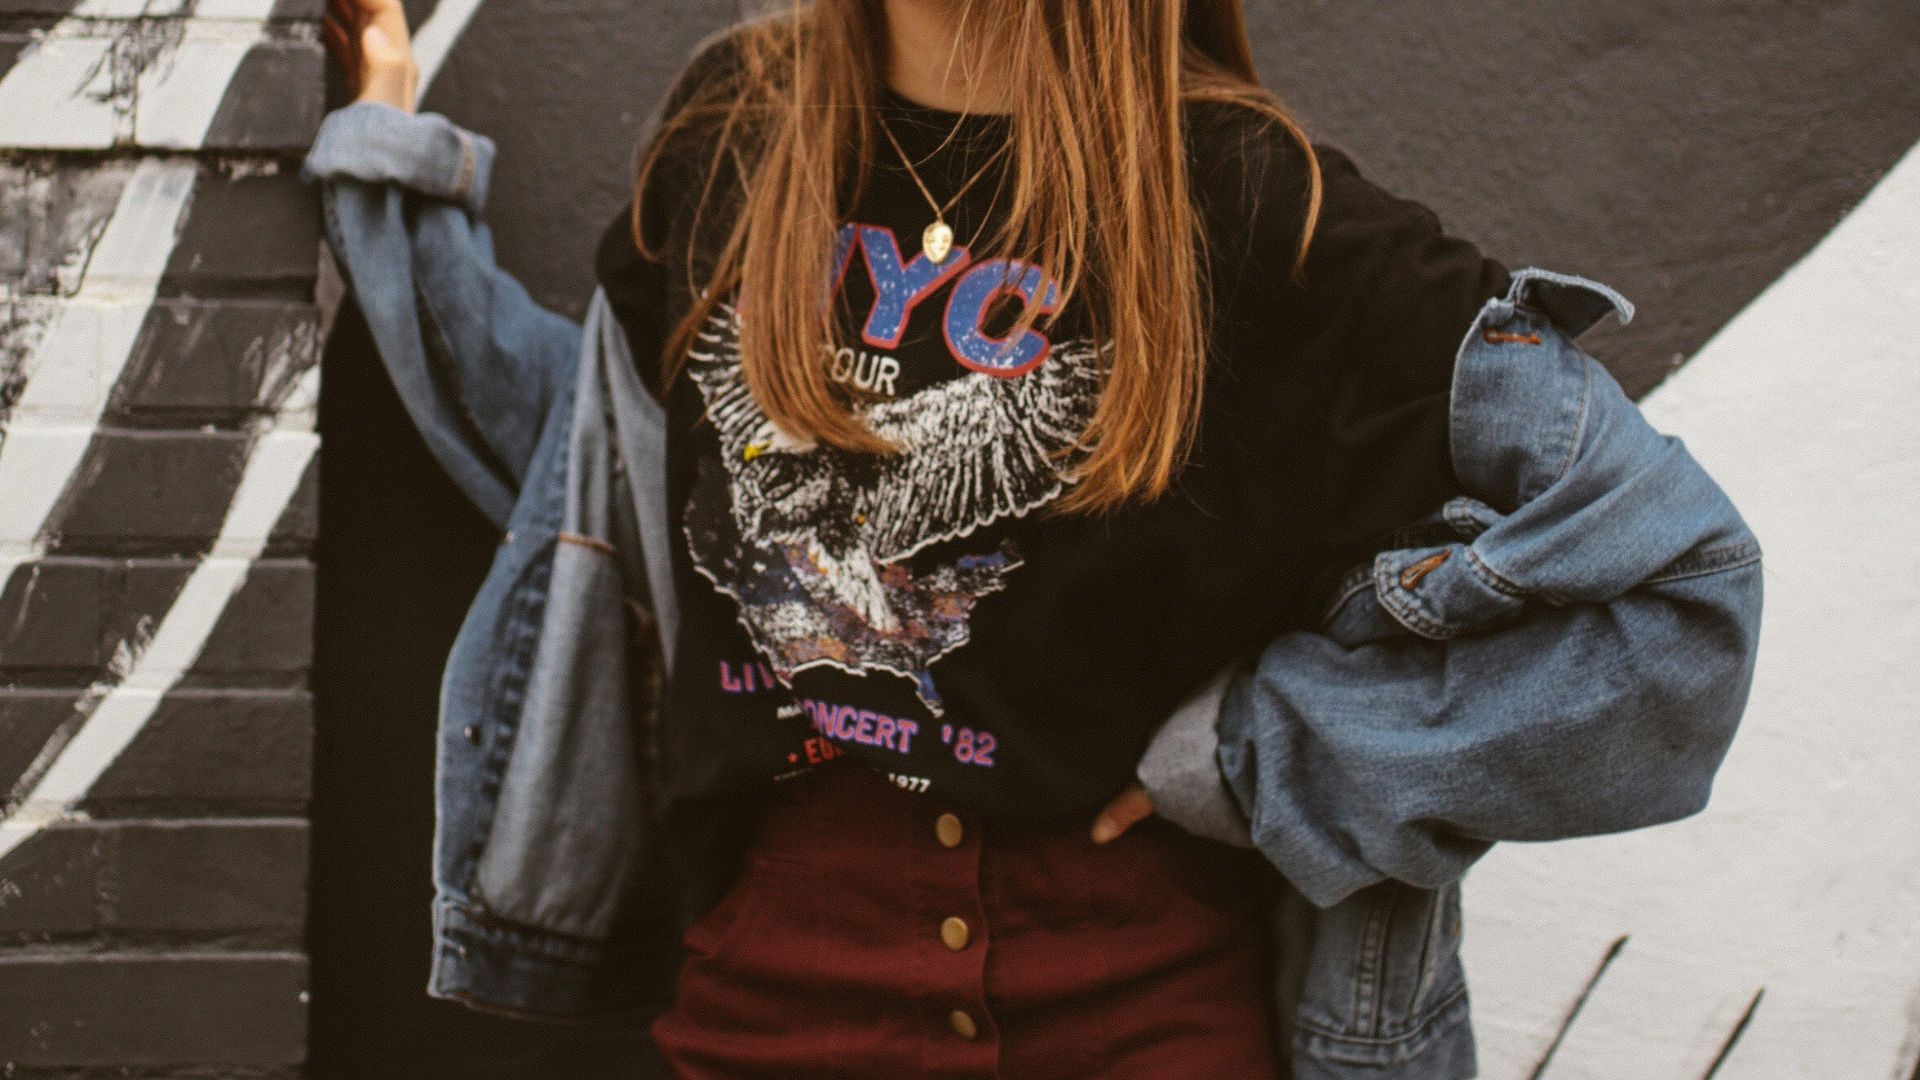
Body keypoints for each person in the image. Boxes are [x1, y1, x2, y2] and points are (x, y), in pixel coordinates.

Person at [318, 1, 1524, 1075]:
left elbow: (1658, 587)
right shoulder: (738, 133)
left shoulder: (1250, 199)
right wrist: (387, 170)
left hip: (1138, 1002)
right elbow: (595, 465)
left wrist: (1275, 748)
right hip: (769, 1000)